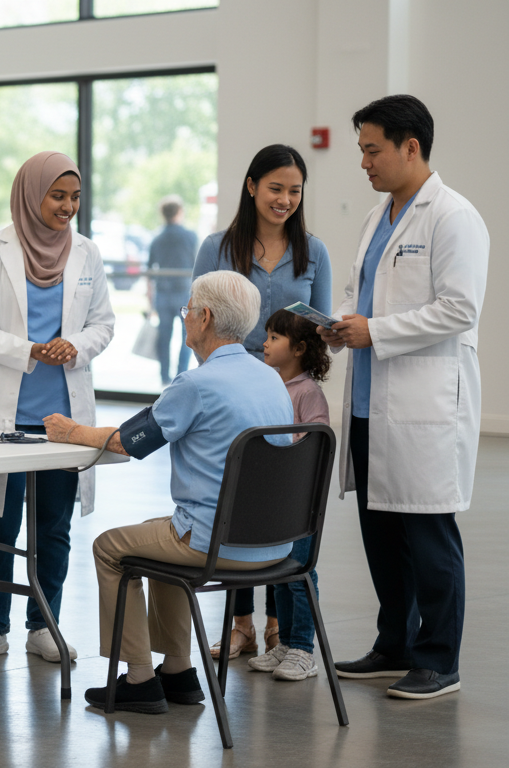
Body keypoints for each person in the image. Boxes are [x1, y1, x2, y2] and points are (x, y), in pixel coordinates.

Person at [44, 271, 294, 714]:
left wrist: (71, 430)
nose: (184, 319)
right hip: (275, 543)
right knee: (155, 535)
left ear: (205, 317)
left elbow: (127, 441)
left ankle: (139, 678)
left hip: (215, 541)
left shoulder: (196, 384)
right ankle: (178, 671)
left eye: (187, 311)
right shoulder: (270, 378)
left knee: (108, 548)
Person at [322, 95, 487, 700]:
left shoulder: (453, 216)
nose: (363, 162)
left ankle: (439, 659)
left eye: (372, 150)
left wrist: (377, 331)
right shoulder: (378, 216)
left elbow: (460, 307)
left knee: (428, 537)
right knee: (381, 535)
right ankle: (395, 643)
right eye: (362, 150)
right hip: (369, 404)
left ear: (409, 146)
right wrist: (341, 324)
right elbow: (356, 291)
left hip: (424, 408)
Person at [0, 151, 115, 665]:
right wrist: (28, 351)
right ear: (31, 195)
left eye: (74, 197)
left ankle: (44, 623)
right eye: (57, 196)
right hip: (5, 413)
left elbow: (104, 323)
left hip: (62, 421)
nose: (68, 206)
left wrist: (77, 344)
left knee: (53, 526)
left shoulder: (87, 253)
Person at [192, 144, 332, 660]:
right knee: (236, 509)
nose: (285, 199)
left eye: (295, 191)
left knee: (281, 506)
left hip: (289, 395)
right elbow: (200, 322)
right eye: (275, 188)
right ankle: (241, 625)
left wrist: (331, 331)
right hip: (232, 393)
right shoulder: (216, 248)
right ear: (251, 186)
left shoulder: (313, 251)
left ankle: (279, 627)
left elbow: (323, 328)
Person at [247, 309, 331, 681]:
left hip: (300, 502)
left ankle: (303, 649)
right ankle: (283, 644)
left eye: (274, 338)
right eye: (266, 335)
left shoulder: (308, 392)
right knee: (276, 573)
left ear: (298, 348)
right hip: (273, 500)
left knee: (299, 573)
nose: (265, 343)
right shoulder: (269, 386)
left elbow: (315, 444)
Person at [146, 195, 197, 385]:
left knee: (164, 337)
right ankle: (180, 376)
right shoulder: (190, 237)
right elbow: (197, 266)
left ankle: (164, 377)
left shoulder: (157, 239)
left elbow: (150, 270)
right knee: (187, 337)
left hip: (164, 294)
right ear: (179, 212)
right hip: (185, 294)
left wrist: (149, 299)